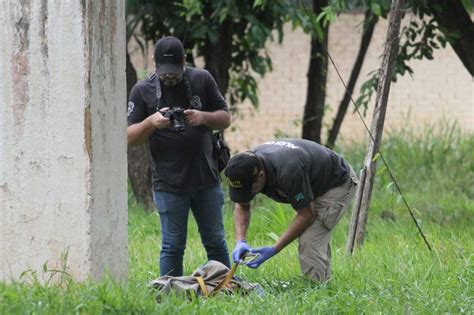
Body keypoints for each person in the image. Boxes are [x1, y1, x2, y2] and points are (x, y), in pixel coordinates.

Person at [127, 36, 231, 276]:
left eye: (174, 72)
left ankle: (225, 288)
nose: (170, 77)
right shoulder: (142, 90)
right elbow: (129, 137)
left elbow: (225, 118)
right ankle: (169, 294)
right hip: (168, 182)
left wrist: (203, 117)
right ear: (154, 63)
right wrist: (152, 122)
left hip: (206, 177)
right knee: (172, 246)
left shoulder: (202, 79)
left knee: (215, 241)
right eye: (164, 73)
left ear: (184, 60)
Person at [224, 138, 359, 282]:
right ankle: (322, 280)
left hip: (336, 183)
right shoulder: (246, 166)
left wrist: (274, 249)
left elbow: (306, 215)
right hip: (311, 178)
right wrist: (240, 241)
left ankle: (317, 290)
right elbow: (242, 204)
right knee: (312, 235)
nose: (246, 195)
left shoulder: (289, 170)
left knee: (310, 237)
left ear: (260, 176)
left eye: (248, 190)